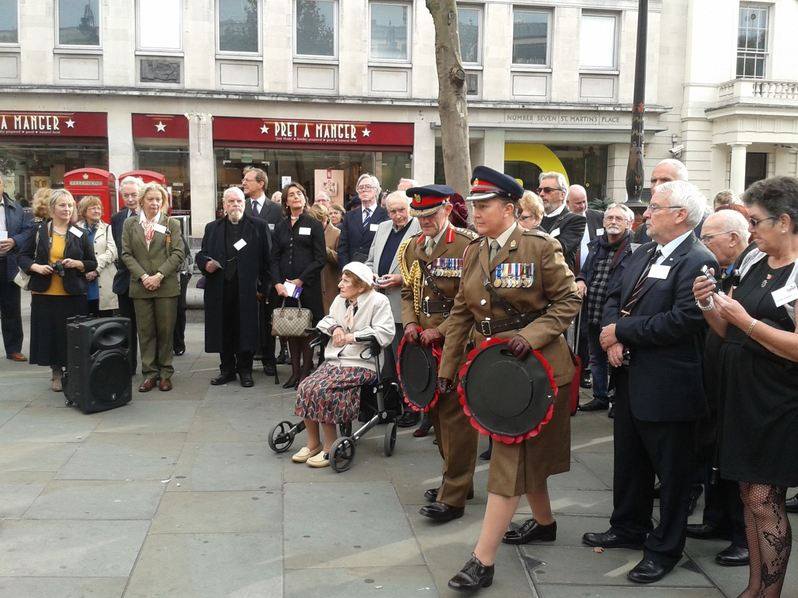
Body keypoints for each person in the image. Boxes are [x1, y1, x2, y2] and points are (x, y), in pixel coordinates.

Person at [436, 167, 580, 591]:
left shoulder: (540, 247)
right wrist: (447, 371)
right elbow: (462, 312)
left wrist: (529, 335)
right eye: (474, 206)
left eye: (485, 206)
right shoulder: (475, 251)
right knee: (520, 452)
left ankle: (483, 560)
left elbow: (570, 298)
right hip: (495, 372)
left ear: (509, 208)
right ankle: (544, 523)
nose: (476, 213)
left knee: (509, 458)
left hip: (538, 374)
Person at [583, 181, 717, 584]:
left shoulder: (698, 260)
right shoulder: (645, 252)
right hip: (629, 376)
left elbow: (685, 320)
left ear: (680, 215)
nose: (645, 216)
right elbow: (612, 294)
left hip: (668, 385)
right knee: (630, 460)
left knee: (672, 471)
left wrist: (622, 331)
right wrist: (612, 333)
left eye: (654, 208)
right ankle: (627, 525)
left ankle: (664, 548)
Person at [693, 176, 798, 597]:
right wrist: (707, 303)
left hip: (778, 399)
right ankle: (753, 588)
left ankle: (768, 593)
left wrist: (747, 322)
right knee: (748, 495)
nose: (749, 229)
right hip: (741, 392)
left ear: (786, 221)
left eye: (755, 221)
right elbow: (726, 330)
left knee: (763, 499)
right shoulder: (755, 261)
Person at [399, 184, 480, 523]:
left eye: (430, 215)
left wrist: (441, 330)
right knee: (435, 416)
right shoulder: (415, 246)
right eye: (419, 217)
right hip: (423, 344)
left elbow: (471, 301)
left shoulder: (466, 245)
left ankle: (454, 496)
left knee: (456, 420)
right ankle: (457, 480)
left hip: (457, 343)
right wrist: (410, 324)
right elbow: (408, 291)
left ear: (447, 209)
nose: (424, 222)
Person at [687, 209, 752, 568]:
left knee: (737, 455)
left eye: (709, 236)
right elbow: (720, 325)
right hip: (715, 370)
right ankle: (717, 518)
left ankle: (743, 534)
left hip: (744, 376)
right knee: (712, 446)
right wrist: (705, 301)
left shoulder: (753, 267)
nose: (704, 242)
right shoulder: (722, 268)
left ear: (733, 237)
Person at [291, 261, 395, 468]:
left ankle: (330, 446)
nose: (340, 285)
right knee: (305, 386)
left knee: (323, 390)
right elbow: (326, 320)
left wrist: (351, 337)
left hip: (363, 363)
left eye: (346, 281)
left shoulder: (378, 301)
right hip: (336, 360)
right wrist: (336, 327)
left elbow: (385, 332)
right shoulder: (340, 300)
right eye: (342, 280)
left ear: (361, 285)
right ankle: (313, 444)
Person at [19, 189, 96, 392]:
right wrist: (36, 267)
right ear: (52, 208)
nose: (67, 209)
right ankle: (56, 373)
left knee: (71, 336)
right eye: (62, 205)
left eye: (70, 205)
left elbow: (91, 263)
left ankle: (73, 370)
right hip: (45, 294)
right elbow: (23, 256)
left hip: (72, 294)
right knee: (51, 335)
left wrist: (77, 263)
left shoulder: (79, 233)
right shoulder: (39, 230)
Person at [197, 186, 272, 388]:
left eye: (239, 201)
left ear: (244, 203)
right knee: (223, 329)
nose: (235, 205)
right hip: (220, 289)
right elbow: (201, 254)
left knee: (245, 329)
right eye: (230, 202)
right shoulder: (212, 227)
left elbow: (268, 261)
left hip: (248, 290)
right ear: (224, 205)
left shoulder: (258, 226)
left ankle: (245, 370)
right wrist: (206, 264)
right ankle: (227, 370)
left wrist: (263, 289)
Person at [121, 182, 186, 393]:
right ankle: (149, 373)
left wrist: (158, 275)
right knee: (145, 331)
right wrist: (143, 276)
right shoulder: (130, 224)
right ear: (142, 201)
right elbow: (126, 254)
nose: (155, 203)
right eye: (150, 199)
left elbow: (178, 253)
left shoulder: (171, 224)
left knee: (166, 331)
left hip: (165, 286)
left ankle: (166, 373)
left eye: (159, 199)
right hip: (140, 287)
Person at [365, 191, 420, 426]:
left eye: (401, 210)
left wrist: (400, 279)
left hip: (403, 305)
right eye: (392, 211)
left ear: (410, 208)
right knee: (385, 361)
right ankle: (390, 406)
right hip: (380, 305)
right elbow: (370, 260)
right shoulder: (384, 227)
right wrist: (371, 275)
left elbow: (423, 269)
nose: (397, 215)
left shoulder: (419, 228)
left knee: (405, 358)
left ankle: (412, 407)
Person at [575, 203, 636, 413]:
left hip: (617, 313)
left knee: (617, 358)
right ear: (603, 222)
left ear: (629, 223)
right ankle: (600, 396)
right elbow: (584, 272)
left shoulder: (634, 249)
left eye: (619, 218)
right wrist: (581, 280)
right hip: (592, 310)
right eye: (610, 218)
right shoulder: (596, 245)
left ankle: (617, 400)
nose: (613, 222)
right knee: (596, 357)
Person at [271, 182, 326, 388]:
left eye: (299, 194)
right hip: (285, 286)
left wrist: (301, 280)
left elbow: (320, 258)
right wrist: (277, 283)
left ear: (305, 198)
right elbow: (274, 258)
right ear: (286, 201)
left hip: (307, 285)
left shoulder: (313, 224)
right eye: (291, 195)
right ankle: (294, 372)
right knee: (291, 329)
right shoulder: (280, 226)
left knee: (307, 328)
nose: (296, 197)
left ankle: (305, 372)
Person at [242, 167, 284, 376]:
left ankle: (269, 358)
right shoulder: (242, 207)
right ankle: (247, 359)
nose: (244, 183)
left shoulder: (276, 210)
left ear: (261, 183)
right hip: (246, 272)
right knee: (247, 318)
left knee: (269, 318)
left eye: (248, 180)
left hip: (269, 273)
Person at [112, 176, 144, 373]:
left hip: (147, 280)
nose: (130, 199)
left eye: (134, 195)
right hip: (125, 281)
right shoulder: (117, 218)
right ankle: (129, 367)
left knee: (148, 329)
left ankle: (152, 368)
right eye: (126, 195)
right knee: (127, 326)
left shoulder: (151, 215)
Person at [0, 173, 33, 361]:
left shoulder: (16, 208)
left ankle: (13, 349)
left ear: (3, 185)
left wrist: (14, 240)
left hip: (9, 264)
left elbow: (27, 231)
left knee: (11, 308)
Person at [76, 196, 118, 317]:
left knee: (105, 321)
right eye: (93, 208)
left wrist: (95, 269)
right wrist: (84, 269)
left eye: (99, 208)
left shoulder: (107, 228)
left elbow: (112, 252)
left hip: (103, 278)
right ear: (84, 211)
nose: (97, 211)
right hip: (82, 279)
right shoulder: (76, 229)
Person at [537, 172, 586, 271]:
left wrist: (534, 223)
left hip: (557, 282)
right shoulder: (535, 217)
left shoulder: (576, 220)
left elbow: (557, 249)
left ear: (562, 195)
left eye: (547, 190)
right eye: (540, 190)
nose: (541, 194)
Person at [633, 159, 689, 243]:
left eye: (665, 180)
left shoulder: (704, 227)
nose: (656, 186)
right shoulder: (643, 230)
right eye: (653, 181)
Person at [338, 174, 388, 266]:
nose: (364, 189)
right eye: (360, 187)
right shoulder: (349, 216)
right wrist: (345, 268)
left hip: (375, 269)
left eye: (368, 187)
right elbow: (342, 247)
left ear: (376, 190)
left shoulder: (386, 215)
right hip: (352, 268)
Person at [307, 204, 341, 315]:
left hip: (328, 284)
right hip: (311, 283)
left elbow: (340, 259)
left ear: (326, 219)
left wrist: (323, 248)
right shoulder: (308, 232)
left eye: (318, 222)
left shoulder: (337, 233)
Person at [173, 221, 192, 356]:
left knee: (179, 308)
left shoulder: (177, 233)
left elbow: (187, 256)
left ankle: (179, 343)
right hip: (161, 275)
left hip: (180, 274)